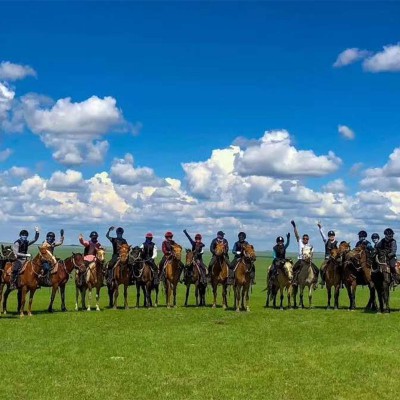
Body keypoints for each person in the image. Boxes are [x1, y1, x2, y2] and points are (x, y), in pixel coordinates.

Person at [291, 221, 319, 289]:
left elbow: (312, 254)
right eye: (304, 238)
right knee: (294, 268)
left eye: (306, 239)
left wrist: (310, 260)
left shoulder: (310, 246)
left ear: (308, 239)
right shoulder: (300, 242)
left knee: (317, 270)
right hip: (301, 260)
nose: (305, 239)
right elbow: (297, 235)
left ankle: (315, 282)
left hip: (308, 261)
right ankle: (294, 281)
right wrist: (294, 227)